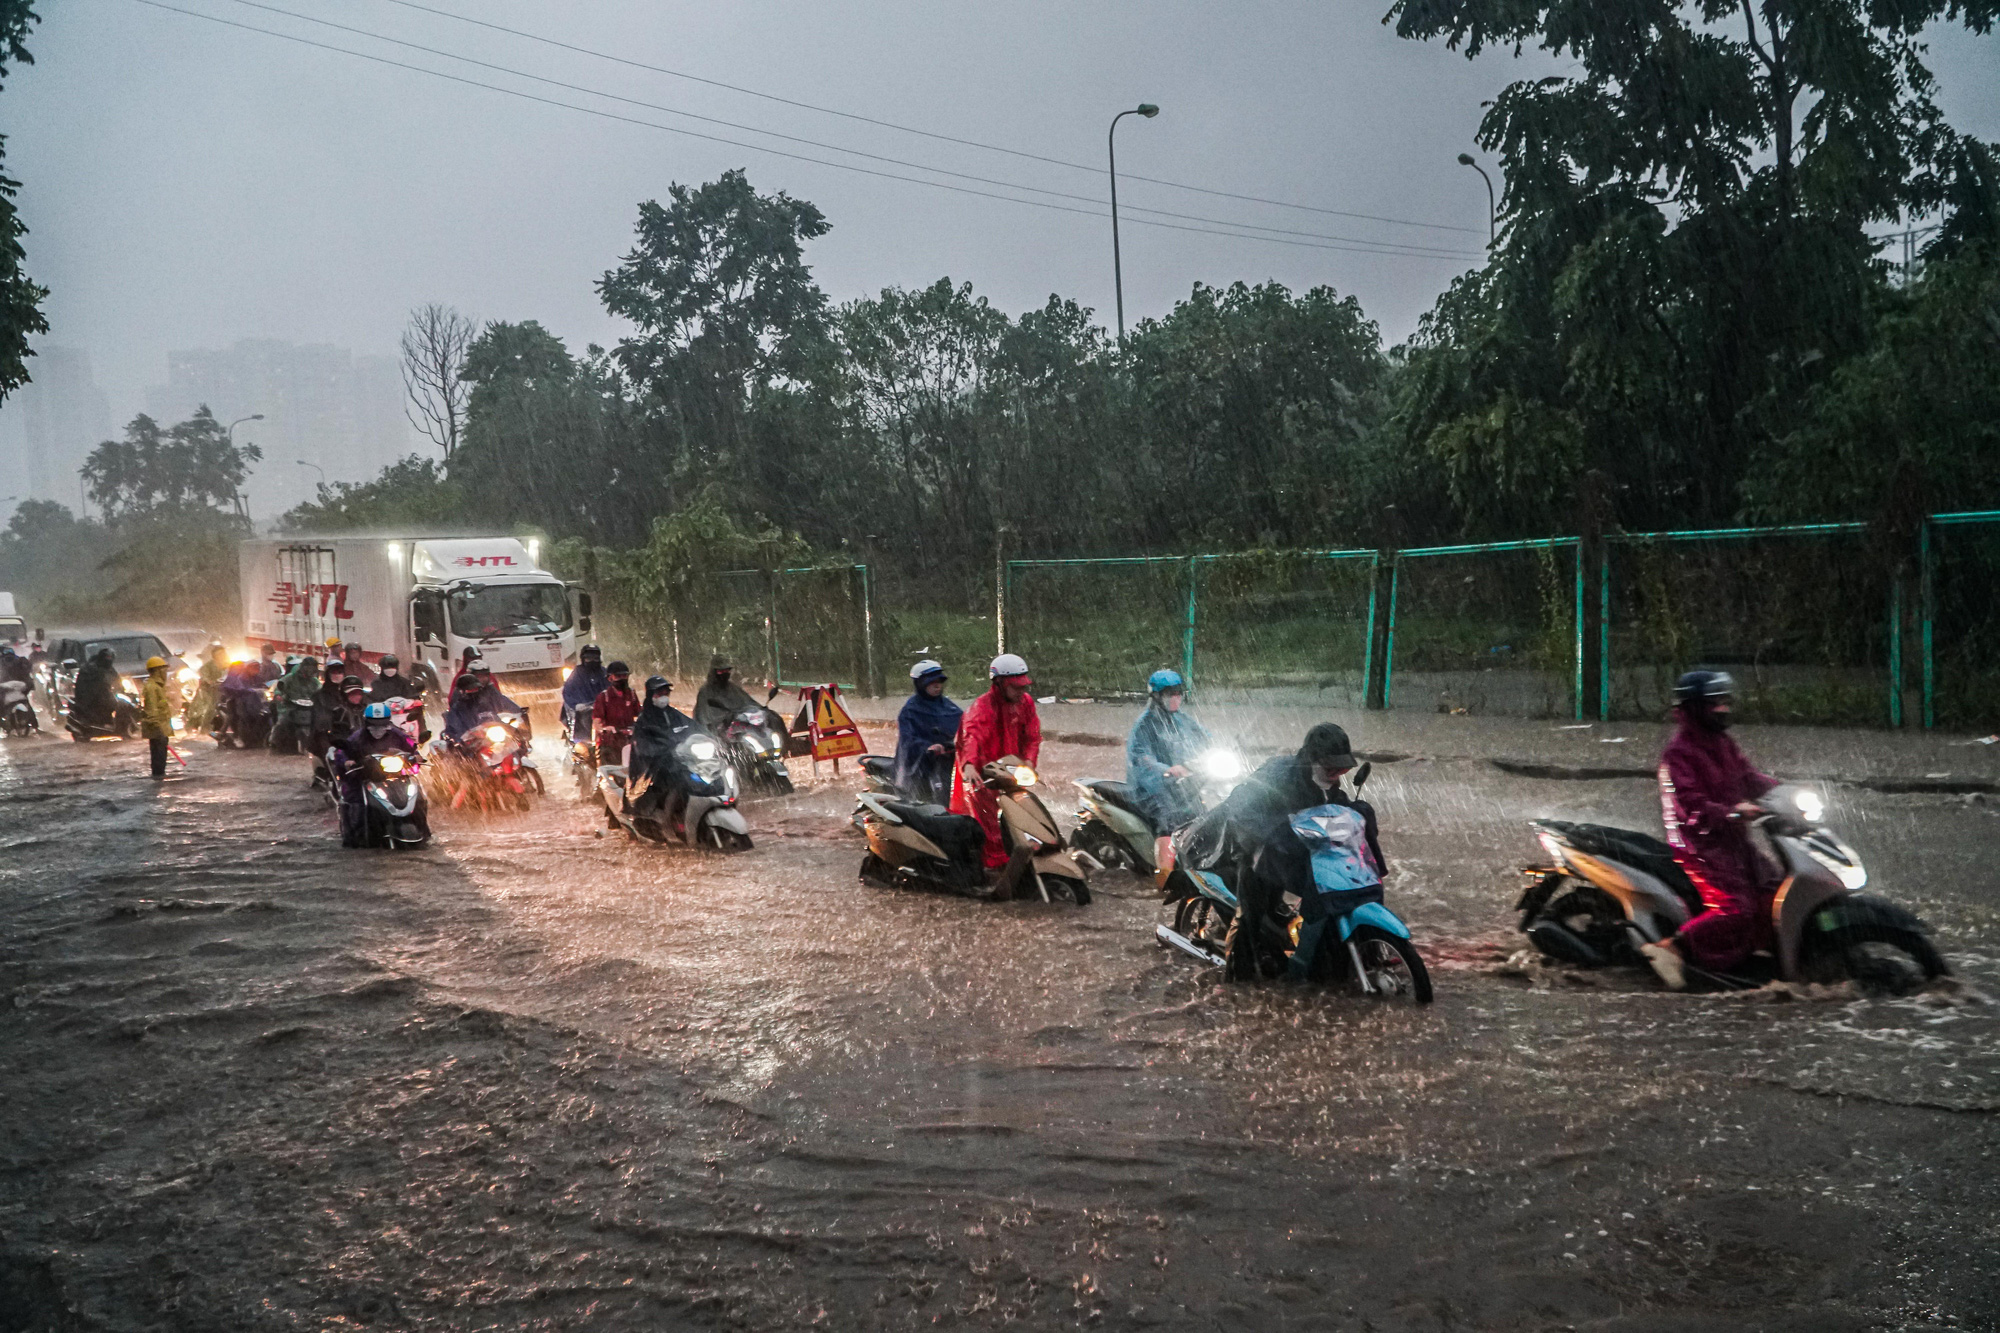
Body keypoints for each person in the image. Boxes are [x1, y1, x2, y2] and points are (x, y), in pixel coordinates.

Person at [1200, 722, 1383, 980]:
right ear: (1312, 759)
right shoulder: (1278, 776)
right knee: (1250, 915)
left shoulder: (1324, 780)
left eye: (1342, 768)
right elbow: (1242, 810)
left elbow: (1330, 809)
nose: (1336, 774)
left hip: (1289, 848)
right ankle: (1235, 982)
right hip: (1255, 847)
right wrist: (1270, 836)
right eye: (1331, 767)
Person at [1638, 670, 1782, 991]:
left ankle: (1752, 955)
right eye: (1715, 703)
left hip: (1733, 838)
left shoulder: (1722, 743)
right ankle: (1671, 947)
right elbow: (1692, 807)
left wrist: (1784, 793)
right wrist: (1733, 810)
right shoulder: (1678, 755)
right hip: (1700, 846)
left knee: (1774, 890)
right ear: (1694, 708)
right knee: (1737, 908)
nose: (1723, 709)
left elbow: (1749, 778)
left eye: (1725, 701)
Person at [950, 653, 1044, 871]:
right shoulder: (981, 708)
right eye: (1016, 687)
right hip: (983, 772)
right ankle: (993, 864)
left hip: (1011, 769)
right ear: (999, 684)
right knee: (987, 819)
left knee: (1020, 811)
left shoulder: (1025, 703)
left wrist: (1030, 761)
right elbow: (971, 737)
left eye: (1023, 687)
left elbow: (1033, 736)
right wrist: (970, 766)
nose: (1022, 692)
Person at [1125, 668, 1213, 835]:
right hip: (1152, 790)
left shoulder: (1181, 719)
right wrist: (1166, 770)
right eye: (1170, 693)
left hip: (1180, 786)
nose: (1176, 697)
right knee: (1169, 825)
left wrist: (1225, 747)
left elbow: (1205, 737)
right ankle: (1163, 860)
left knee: (1203, 818)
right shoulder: (1145, 725)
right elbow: (1141, 758)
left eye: (1178, 692)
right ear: (1157, 696)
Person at [331, 702, 426, 845]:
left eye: (382, 724)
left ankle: (424, 831)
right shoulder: (357, 738)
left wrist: (416, 756)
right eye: (373, 725)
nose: (378, 729)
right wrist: (347, 761)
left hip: (396, 776)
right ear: (366, 723)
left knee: (419, 796)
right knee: (356, 801)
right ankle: (357, 837)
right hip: (365, 776)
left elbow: (411, 747)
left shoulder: (397, 735)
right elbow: (342, 752)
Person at [628, 675, 699, 826]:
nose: (663, 697)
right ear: (650, 695)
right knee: (673, 782)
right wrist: (660, 751)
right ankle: (667, 819)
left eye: (666, 693)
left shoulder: (673, 714)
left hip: (676, 761)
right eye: (659, 694)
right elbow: (642, 746)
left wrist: (712, 737)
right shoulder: (644, 720)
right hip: (652, 767)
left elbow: (693, 727)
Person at [893, 659, 961, 805]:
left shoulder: (950, 708)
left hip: (948, 761)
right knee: (927, 803)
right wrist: (927, 747)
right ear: (920, 684)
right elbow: (908, 739)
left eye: (939, 681)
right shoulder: (910, 711)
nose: (937, 685)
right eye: (931, 682)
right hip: (919, 765)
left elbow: (965, 726)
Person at [694, 653, 785, 744]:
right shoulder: (706, 691)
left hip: (738, 724)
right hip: (718, 731)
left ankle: (784, 747)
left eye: (727, 671)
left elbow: (747, 702)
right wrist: (725, 717)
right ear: (714, 672)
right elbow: (705, 718)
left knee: (774, 719)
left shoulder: (732, 688)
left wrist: (762, 709)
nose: (724, 674)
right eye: (721, 671)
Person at [592, 660, 642, 768]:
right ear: (610, 678)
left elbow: (640, 713)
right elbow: (596, 722)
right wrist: (605, 729)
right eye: (618, 676)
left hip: (629, 739)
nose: (622, 679)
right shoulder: (603, 697)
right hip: (610, 742)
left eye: (625, 675)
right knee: (607, 768)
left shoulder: (631, 694)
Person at [368, 653, 428, 741]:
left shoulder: (404, 682)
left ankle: (421, 733)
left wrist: (415, 700)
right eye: (387, 668)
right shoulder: (375, 683)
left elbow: (412, 694)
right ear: (382, 668)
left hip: (403, 713)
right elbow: (371, 697)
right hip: (383, 715)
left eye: (392, 667)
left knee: (418, 710)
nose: (390, 670)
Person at [270, 655, 321, 755]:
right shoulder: (290, 678)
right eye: (308, 667)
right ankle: (273, 741)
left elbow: (321, 689)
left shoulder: (314, 681)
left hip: (309, 706)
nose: (310, 670)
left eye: (312, 667)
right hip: (290, 706)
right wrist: (279, 695)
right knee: (283, 721)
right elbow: (280, 687)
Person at [562, 645, 609, 742]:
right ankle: (579, 742)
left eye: (595, 658)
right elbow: (567, 692)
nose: (592, 661)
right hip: (583, 709)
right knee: (584, 720)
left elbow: (611, 690)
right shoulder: (577, 673)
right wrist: (576, 705)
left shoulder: (604, 672)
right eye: (588, 658)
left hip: (603, 709)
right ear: (583, 659)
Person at [71, 647, 122, 734]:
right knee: (105, 702)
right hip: (88, 694)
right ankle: (89, 723)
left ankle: (109, 721)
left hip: (102, 692)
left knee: (114, 703)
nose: (109, 661)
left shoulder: (109, 668)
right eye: (108, 658)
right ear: (103, 657)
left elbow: (116, 678)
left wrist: (120, 688)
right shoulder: (90, 668)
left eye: (111, 658)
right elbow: (90, 684)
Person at [139, 656, 174, 777]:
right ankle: (158, 780)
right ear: (158, 671)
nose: (165, 673)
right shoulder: (152, 688)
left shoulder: (158, 686)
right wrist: (159, 731)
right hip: (158, 731)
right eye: (164, 670)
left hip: (161, 730)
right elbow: (151, 711)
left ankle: (159, 779)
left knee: (160, 761)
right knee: (158, 762)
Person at [188, 642, 228, 735]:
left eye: (223, 653)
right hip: (208, 691)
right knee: (210, 708)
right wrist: (209, 681)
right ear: (214, 656)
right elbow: (204, 674)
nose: (221, 656)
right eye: (219, 654)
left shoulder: (227, 664)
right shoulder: (208, 666)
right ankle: (204, 729)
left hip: (223, 690)